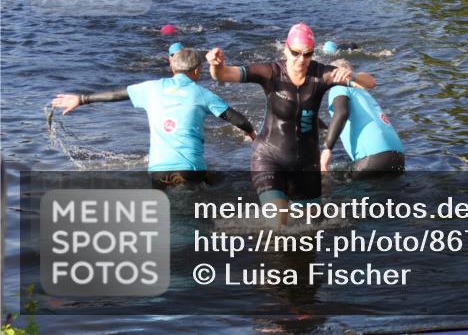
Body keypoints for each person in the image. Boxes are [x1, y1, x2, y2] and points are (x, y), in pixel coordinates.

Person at [207, 23, 376, 222]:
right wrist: (216, 66)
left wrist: (352, 75)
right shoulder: (270, 72)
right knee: (279, 220)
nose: (301, 60)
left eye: (308, 54)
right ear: (286, 49)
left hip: (306, 162)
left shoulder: (322, 74)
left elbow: (370, 83)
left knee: (311, 227)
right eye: (296, 53)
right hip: (269, 156)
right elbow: (224, 74)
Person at [50, 48, 256, 187]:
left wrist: (81, 98)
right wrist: (253, 134)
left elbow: (115, 95)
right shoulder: (202, 93)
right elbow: (237, 119)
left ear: (173, 68)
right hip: (190, 170)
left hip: (157, 170)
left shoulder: (150, 88)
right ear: (197, 71)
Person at [321, 73, 405, 178]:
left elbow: (341, 112)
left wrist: (327, 148)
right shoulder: (363, 93)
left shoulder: (338, 87)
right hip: (398, 155)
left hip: (373, 156)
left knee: (330, 185)